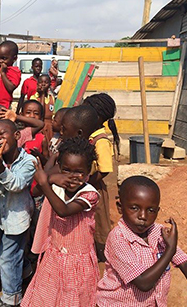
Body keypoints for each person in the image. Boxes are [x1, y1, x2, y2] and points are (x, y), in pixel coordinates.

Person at [96, 176, 187, 307]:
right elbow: (143, 283)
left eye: (151, 210)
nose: (143, 216)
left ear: (157, 211)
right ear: (120, 207)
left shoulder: (159, 233)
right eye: (134, 208)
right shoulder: (118, 238)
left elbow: (184, 262)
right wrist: (170, 250)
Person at [23, 137, 100, 307]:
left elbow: (63, 211)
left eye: (79, 172)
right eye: (66, 170)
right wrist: (49, 181)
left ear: (88, 172)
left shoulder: (90, 194)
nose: (72, 177)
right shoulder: (58, 185)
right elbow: (35, 192)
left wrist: (45, 182)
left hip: (77, 261)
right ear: (59, 167)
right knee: (48, 295)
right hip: (55, 254)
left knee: (74, 297)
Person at [0, 119, 36, 307]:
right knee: (15, 254)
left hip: (17, 219)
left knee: (6, 257)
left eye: (2, 134)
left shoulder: (29, 161)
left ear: (17, 136)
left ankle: (10, 299)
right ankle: (26, 272)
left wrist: (0, 168)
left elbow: (17, 185)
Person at [83, 93, 120, 262]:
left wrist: (88, 182)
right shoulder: (90, 134)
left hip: (95, 186)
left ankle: (102, 256)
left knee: (99, 221)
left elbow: (105, 170)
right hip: (87, 185)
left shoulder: (101, 140)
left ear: (97, 117)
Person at [0, 41, 21, 108]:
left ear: (14, 58)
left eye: (4, 58)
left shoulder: (14, 71)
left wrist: (3, 73)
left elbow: (11, 88)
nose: (0, 61)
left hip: (4, 107)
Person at [30, 74, 55, 143]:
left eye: (46, 82)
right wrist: (42, 94)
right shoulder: (34, 97)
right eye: (41, 82)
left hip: (49, 127)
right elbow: (41, 111)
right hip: (39, 126)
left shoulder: (51, 98)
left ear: (49, 85)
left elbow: (52, 113)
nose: (43, 84)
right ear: (37, 84)